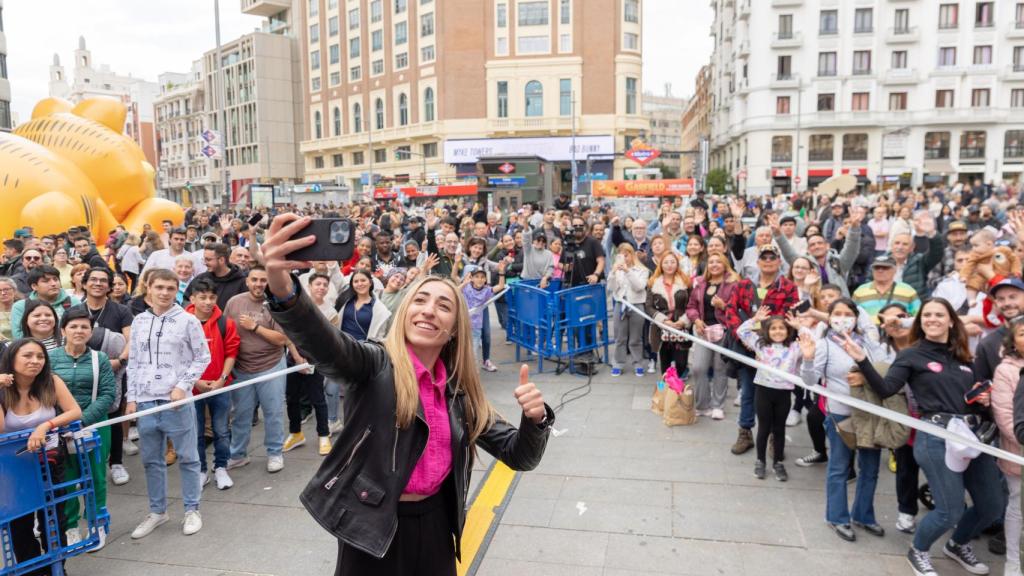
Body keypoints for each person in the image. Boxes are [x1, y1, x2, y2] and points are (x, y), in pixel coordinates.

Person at [259, 213, 552, 575]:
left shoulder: (459, 392)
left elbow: (519, 455)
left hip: (436, 525)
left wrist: (535, 419)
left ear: (454, 329)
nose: (429, 311)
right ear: (404, 311)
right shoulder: (374, 364)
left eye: (444, 306)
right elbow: (326, 344)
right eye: (420, 301)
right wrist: (283, 288)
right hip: (371, 526)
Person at [847, 298, 1004, 576]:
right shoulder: (911, 354)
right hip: (935, 437)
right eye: (927, 315)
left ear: (951, 321)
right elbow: (885, 389)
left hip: (972, 436)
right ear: (920, 321)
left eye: (939, 315)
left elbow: (973, 395)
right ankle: (918, 550)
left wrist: (983, 399)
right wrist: (862, 360)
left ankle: (957, 545)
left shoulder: (966, 356)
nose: (932, 319)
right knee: (949, 511)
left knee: (992, 504)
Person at [125, 268, 211, 539]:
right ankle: (158, 511)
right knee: (151, 460)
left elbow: (202, 357)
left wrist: (181, 386)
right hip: (146, 403)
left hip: (176, 402)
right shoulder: (139, 321)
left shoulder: (188, 321)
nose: (164, 293)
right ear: (148, 289)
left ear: (177, 292)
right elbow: (134, 362)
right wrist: (131, 399)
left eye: (170, 288)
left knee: (188, 457)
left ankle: (192, 509)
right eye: (159, 287)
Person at [800, 297, 886, 543]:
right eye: (836, 313)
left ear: (856, 317)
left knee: (869, 469)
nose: (842, 318)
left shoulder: (868, 343)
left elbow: (884, 370)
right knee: (839, 467)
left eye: (848, 313)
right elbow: (809, 380)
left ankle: (864, 515)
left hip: (870, 414)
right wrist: (807, 358)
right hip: (840, 414)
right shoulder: (825, 345)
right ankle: (837, 517)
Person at [0, 338, 82, 573]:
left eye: (40, 356)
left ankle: (57, 567)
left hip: (49, 463)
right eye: (27, 356)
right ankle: (36, 570)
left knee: (54, 520)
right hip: (12, 469)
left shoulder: (51, 382)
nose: (35, 361)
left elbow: (75, 411)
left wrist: (45, 425)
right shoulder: (4, 391)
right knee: (19, 525)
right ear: (12, 358)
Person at [49, 307, 116, 550]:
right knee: (65, 479)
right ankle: (71, 527)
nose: (79, 331)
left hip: (95, 426)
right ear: (63, 330)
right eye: (73, 326)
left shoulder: (101, 359)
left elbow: (108, 393)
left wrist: (81, 420)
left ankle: (97, 524)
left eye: (84, 327)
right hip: (60, 430)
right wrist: (62, 422)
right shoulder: (50, 358)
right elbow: (44, 394)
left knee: (96, 477)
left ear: (91, 331)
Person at [224, 265, 290, 474]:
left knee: (273, 412)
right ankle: (237, 455)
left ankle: (274, 452)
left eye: (263, 280)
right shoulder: (234, 303)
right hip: (242, 368)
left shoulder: (276, 304)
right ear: (247, 281)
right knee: (241, 414)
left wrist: (255, 327)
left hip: (270, 366)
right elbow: (225, 332)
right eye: (254, 279)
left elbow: (282, 339)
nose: (258, 284)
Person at [184, 278, 239, 490]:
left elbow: (231, 353)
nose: (208, 302)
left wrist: (222, 379)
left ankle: (221, 467)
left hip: (220, 385)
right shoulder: (182, 322)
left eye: (212, 297)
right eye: (202, 297)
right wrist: (195, 381)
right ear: (193, 298)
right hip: (191, 387)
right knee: (195, 430)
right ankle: (200, 470)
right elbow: (178, 358)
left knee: (221, 429)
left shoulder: (226, 323)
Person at [737, 306, 802, 482]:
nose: (778, 331)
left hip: (784, 394)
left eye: (782, 328)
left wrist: (800, 327)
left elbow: (812, 341)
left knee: (779, 429)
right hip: (763, 391)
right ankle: (760, 461)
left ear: (788, 330)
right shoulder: (760, 345)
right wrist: (755, 318)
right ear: (767, 330)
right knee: (764, 428)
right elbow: (741, 331)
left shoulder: (795, 347)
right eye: (773, 328)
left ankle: (778, 463)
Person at [685, 253, 739, 420]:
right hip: (704, 331)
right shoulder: (700, 283)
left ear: (725, 265)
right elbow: (691, 306)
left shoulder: (733, 284)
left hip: (723, 331)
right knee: (698, 368)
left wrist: (723, 306)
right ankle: (702, 405)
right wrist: (696, 319)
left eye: (718, 262)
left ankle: (718, 406)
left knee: (719, 368)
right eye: (711, 262)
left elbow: (738, 308)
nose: (715, 265)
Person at [992, 316, 1024, 576]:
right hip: (1018, 454)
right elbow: (1006, 418)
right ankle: (1013, 562)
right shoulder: (1007, 370)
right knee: (1017, 506)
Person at [608, 244, 651, 377]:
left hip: (636, 305)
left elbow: (639, 287)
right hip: (620, 304)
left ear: (632, 254)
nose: (624, 258)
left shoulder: (642, 270)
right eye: (621, 255)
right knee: (620, 337)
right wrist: (613, 273)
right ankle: (618, 363)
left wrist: (628, 271)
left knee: (636, 338)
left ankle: (637, 363)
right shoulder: (616, 269)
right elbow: (612, 288)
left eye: (626, 254)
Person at [645, 251, 691, 375]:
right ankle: (667, 390)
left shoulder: (685, 281)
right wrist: (664, 320)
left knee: (681, 364)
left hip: (681, 325)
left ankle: (678, 387)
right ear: (661, 265)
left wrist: (683, 321)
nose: (669, 265)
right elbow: (648, 307)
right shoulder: (653, 282)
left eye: (672, 262)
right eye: (666, 262)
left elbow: (692, 305)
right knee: (665, 365)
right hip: (662, 327)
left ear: (677, 264)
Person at [10, 266, 82, 338]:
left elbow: (81, 330)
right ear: (34, 286)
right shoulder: (21, 306)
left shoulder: (73, 302)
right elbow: (18, 336)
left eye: (55, 279)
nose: (53, 283)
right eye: (46, 281)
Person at [460, 263, 507, 367]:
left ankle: (473, 376)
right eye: (477, 277)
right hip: (463, 325)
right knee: (461, 353)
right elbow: (455, 291)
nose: (480, 279)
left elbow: (501, 286)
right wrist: (464, 282)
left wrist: (501, 272)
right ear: (471, 278)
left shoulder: (486, 291)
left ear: (485, 279)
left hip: (476, 327)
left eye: (482, 277)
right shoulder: (467, 287)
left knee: (473, 354)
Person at [852, 254, 921, 323]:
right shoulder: (860, 291)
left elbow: (917, 315)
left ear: (895, 270)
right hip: (868, 332)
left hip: (897, 331)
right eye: (877, 267)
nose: (880, 270)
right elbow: (852, 315)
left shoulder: (908, 290)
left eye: (885, 268)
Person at [188, 242, 248, 311]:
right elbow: (187, 299)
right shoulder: (201, 278)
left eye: (208, 260)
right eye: (204, 259)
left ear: (221, 260)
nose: (205, 263)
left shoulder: (242, 282)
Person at [0, 276, 18, 340]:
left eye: (6, 289)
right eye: (0, 290)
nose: (3, 293)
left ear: (15, 291)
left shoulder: (22, 309)